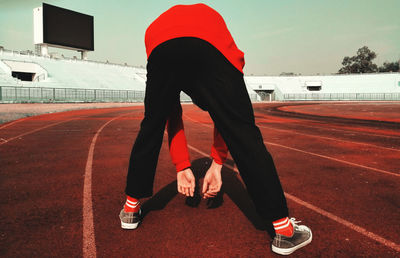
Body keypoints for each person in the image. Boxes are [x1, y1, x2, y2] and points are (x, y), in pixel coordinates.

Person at [120, 3, 312, 255]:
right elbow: (228, 117)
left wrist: (186, 165)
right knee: (243, 131)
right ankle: (284, 231)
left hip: (158, 43)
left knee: (151, 124)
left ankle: (131, 209)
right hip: (210, 43)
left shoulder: (164, 25)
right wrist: (217, 162)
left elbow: (171, 113)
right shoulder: (216, 32)